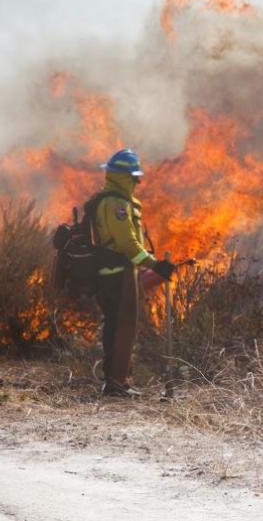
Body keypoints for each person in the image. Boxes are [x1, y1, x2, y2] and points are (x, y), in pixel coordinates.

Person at [87, 149, 176, 398]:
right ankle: (115, 384)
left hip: (118, 273)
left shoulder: (113, 200)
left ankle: (117, 381)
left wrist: (147, 264)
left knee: (118, 327)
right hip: (118, 275)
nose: (137, 182)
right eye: (134, 177)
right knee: (121, 328)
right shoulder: (116, 205)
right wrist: (155, 264)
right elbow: (127, 244)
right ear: (124, 176)